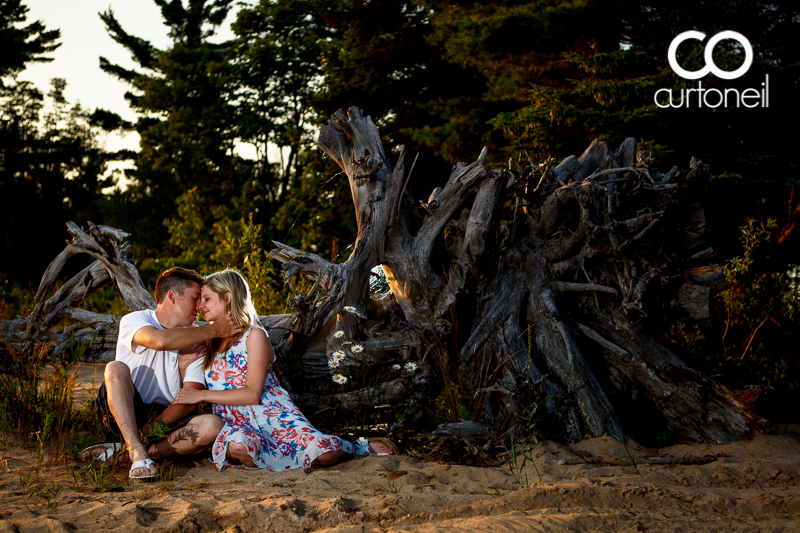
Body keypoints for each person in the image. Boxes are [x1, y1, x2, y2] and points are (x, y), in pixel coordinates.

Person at [172, 268, 396, 470]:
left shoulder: (254, 335)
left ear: (227, 298)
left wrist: (201, 395)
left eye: (207, 299)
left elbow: (252, 394)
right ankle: (279, 459)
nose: (200, 306)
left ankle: (357, 448)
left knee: (324, 455)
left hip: (274, 416)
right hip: (236, 421)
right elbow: (183, 373)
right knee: (239, 447)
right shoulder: (207, 340)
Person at [82, 267, 246, 481]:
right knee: (115, 368)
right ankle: (133, 445)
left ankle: (133, 451)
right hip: (125, 412)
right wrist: (215, 330)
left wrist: (146, 434)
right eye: (195, 298)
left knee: (213, 425)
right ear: (172, 296)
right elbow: (159, 341)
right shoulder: (136, 320)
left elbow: (189, 401)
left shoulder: (197, 337)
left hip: (168, 417)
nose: (199, 306)